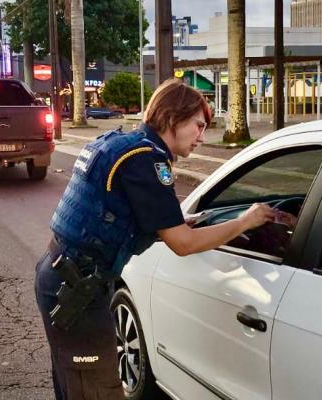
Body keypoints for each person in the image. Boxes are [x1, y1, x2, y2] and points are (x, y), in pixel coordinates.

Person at [35, 78, 277, 400]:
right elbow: (183, 244)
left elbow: (112, 215)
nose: (201, 138)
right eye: (198, 126)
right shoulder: (146, 160)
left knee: (74, 387)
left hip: (62, 278)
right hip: (77, 291)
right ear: (173, 117)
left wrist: (173, 223)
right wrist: (245, 221)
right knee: (96, 391)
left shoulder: (123, 145)